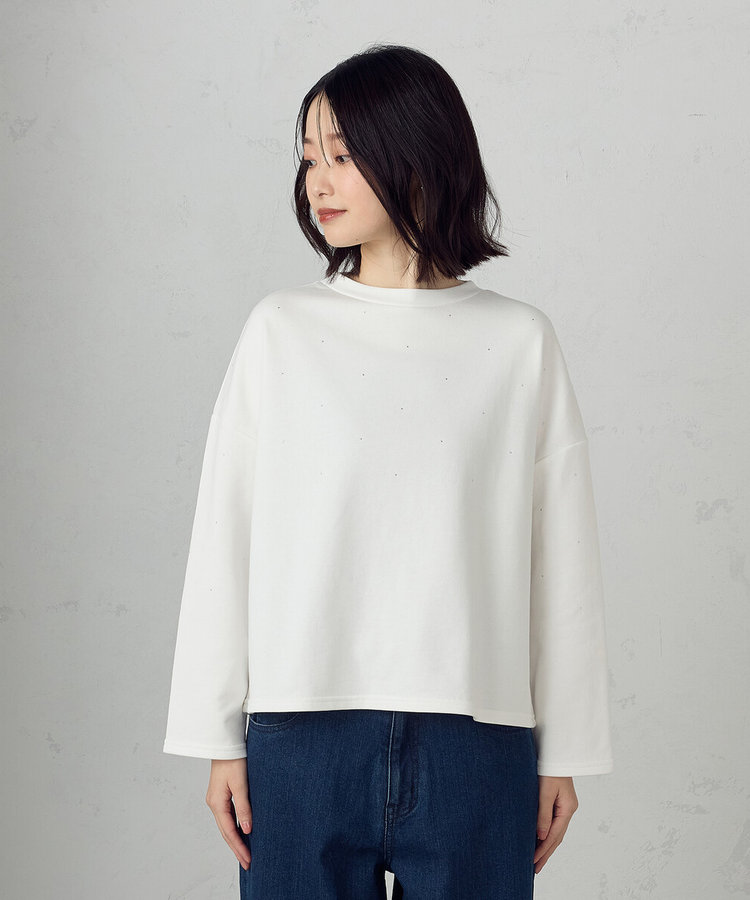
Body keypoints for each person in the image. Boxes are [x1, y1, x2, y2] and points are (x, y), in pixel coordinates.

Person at [163, 43, 613, 899]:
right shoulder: (281, 330)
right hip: (302, 732)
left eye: (341, 155)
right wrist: (218, 737)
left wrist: (566, 750)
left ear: (414, 156)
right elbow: (226, 533)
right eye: (308, 158)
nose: (318, 182)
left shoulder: (518, 342)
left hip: (476, 737)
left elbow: (561, 560)